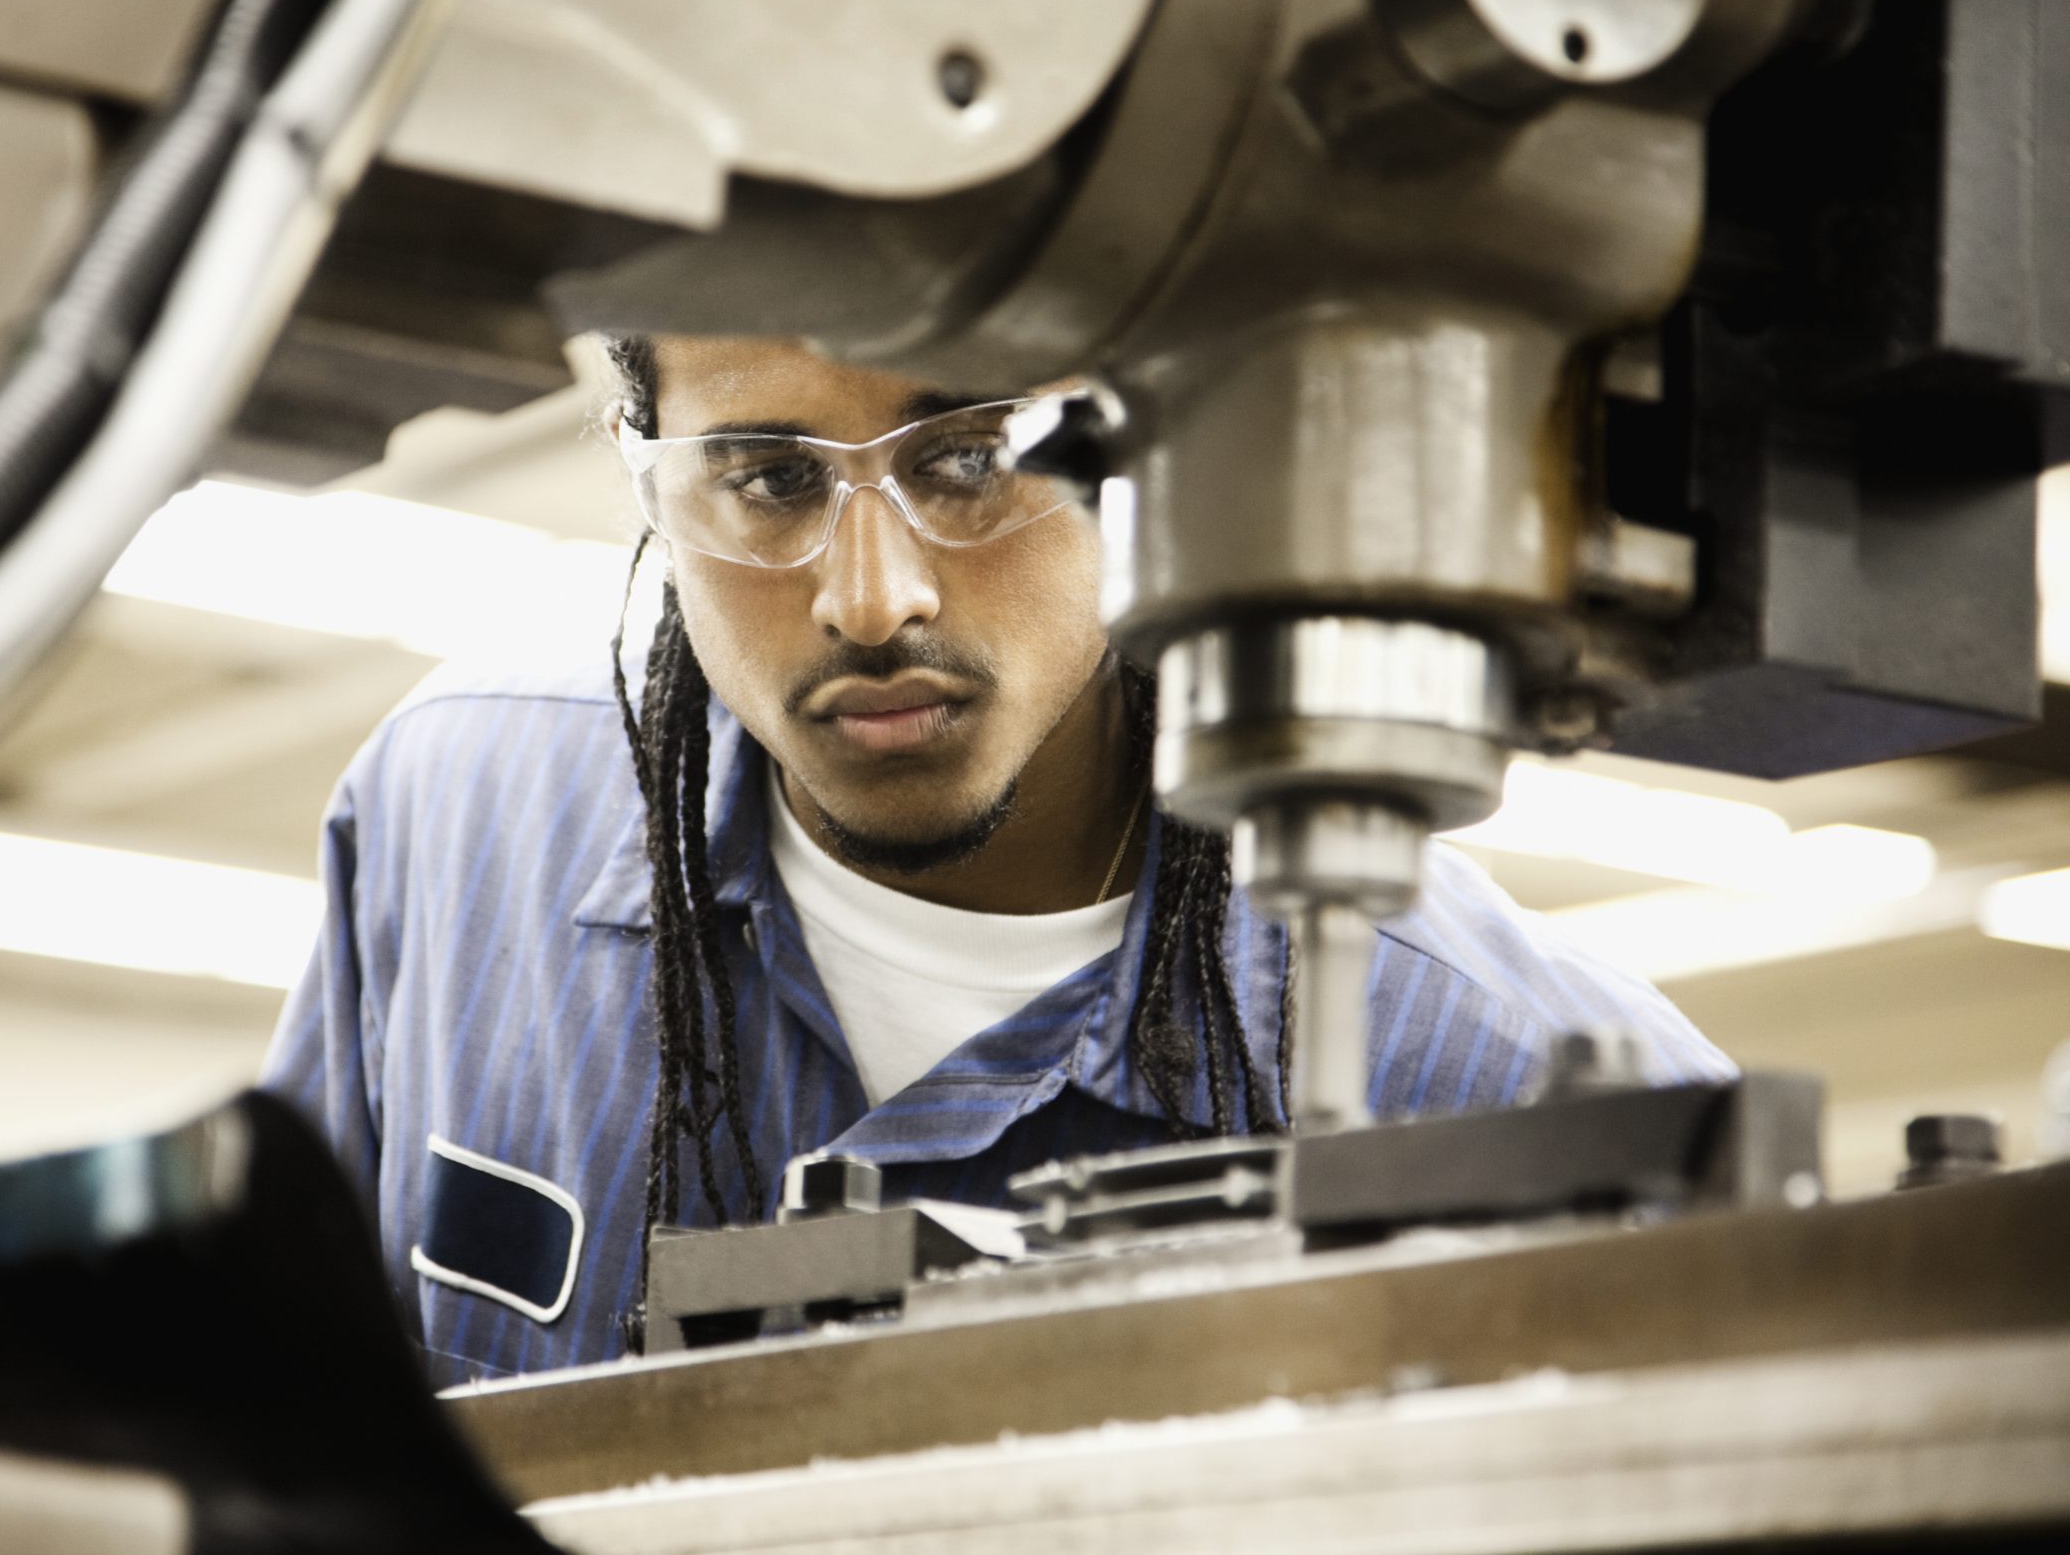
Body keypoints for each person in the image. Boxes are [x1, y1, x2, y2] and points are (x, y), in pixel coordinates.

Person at [263, 335, 1730, 1386]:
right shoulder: (449, 815)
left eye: (971, 459)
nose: (872, 595)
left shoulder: (1523, 1084)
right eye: (768, 481)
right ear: (649, 484)